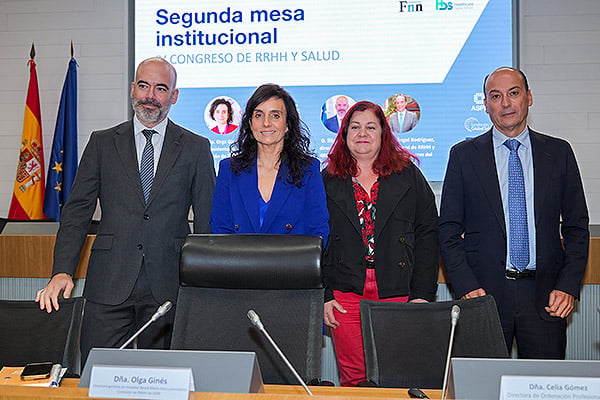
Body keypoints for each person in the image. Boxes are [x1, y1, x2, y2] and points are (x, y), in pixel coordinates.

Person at [35, 57, 216, 366]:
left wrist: (206, 286)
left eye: (161, 89)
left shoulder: (196, 148)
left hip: (170, 287)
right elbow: (77, 212)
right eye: (144, 86)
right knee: (99, 378)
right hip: (108, 284)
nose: (150, 96)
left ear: (174, 96)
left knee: (165, 382)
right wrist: (62, 269)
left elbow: (206, 222)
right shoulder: (102, 143)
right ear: (132, 90)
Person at [439, 67, 589, 359]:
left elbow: (576, 228)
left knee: (545, 388)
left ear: (529, 98)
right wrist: (467, 287)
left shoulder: (559, 153)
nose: (505, 103)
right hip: (484, 297)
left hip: (546, 296)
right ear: (485, 105)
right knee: (482, 388)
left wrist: (568, 286)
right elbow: (448, 231)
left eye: (514, 93)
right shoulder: (464, 155)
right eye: (496, 96)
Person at [322, 101, 439, 386]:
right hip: (344, 296)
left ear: (383, 133)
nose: (363, 133)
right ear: (344, 133)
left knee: (398, 376)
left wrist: (422, 293)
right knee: (354, 380)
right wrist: (324, 295)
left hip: (399, 290)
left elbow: (428, 233)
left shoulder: (407, 175)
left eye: (371, 127)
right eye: (355, 127)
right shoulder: (327, 179)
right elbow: (316, 241)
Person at [210, 83, 329, 245]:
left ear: (287, 125)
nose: (266, 123)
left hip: (292, 267)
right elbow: (220, 229)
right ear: (250, 124)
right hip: (239, 266)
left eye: (275, 116)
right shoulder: (229, 169)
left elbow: (318, 232)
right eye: (259, 115)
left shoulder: (308, 170)